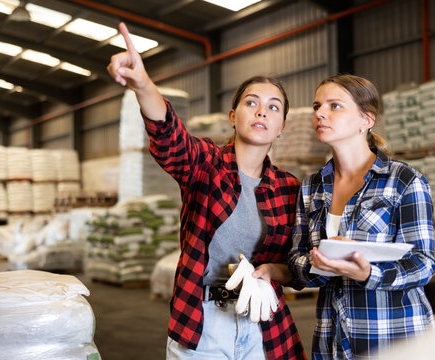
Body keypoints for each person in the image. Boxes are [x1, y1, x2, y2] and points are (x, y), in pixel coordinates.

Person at [107, 22, 306, 359]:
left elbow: (297, 265)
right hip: (204, 322)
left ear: (282, 126)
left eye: (273, 107)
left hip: (263, 324)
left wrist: (272, 272)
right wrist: (142, 84)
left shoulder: (289, 188)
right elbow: (169, 135)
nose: (262, 111)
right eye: (251, 102)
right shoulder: (206, 163)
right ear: (233, 115)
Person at [287, 74, 435, 359]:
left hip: (394, 339)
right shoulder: (311, 187)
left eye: (335, 106)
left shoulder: (404, 181)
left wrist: (369, 273)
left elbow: (423, 264)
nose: (320, 113)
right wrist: (319, 265)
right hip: (333, 340)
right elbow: (296, 258)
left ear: (366, 120)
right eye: (317, 105)